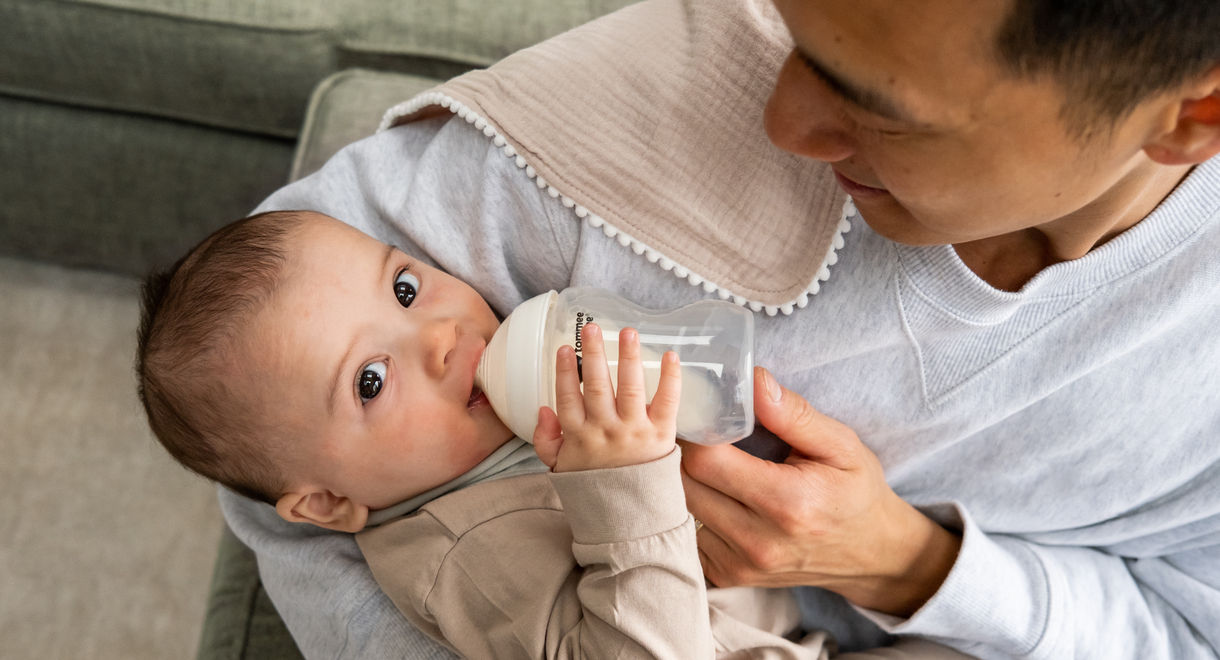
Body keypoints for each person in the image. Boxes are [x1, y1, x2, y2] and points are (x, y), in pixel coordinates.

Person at [214, 0, 1220, 657]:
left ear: (1188, 115)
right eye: (793, 28)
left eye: (882, 109)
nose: (779, 121)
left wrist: (905, 563)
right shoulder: (633, 121)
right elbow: (263, 377)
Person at [137, 209, 837, 658]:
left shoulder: (495, 426)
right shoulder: (462, 552)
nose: (440, 339)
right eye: (370, 381)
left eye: (405, 289)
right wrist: (628, 483)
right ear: (325, 503)